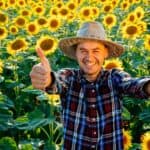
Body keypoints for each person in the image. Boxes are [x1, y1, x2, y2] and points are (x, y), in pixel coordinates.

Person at [30, 21, 150, 150]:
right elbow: (57, 82)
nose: (89, 57)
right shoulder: (69, 77)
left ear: (106, 53)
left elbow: (132, 84)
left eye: (96, 51)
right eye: (83, 51)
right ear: (76, 53)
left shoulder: (114, 78)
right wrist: (47, 79)